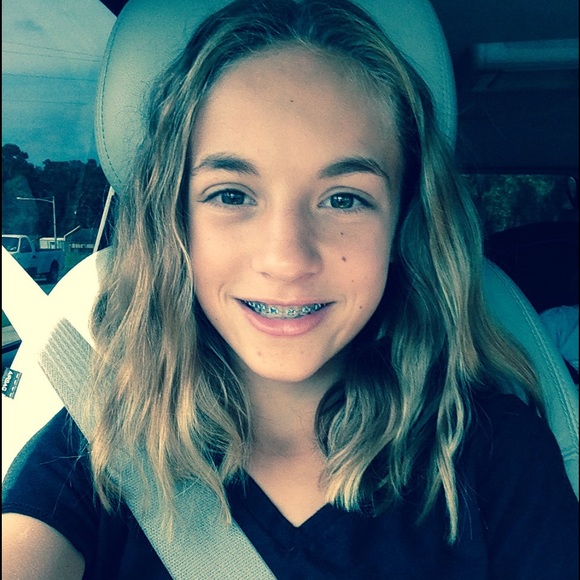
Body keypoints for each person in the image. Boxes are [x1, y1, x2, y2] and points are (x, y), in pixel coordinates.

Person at [2, 0, 578, 578]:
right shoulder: (97, 448)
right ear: (176, 223)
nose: (286, 260)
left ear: (402, 227)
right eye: (231, 195)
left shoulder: (498, 458)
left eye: (344, 199)